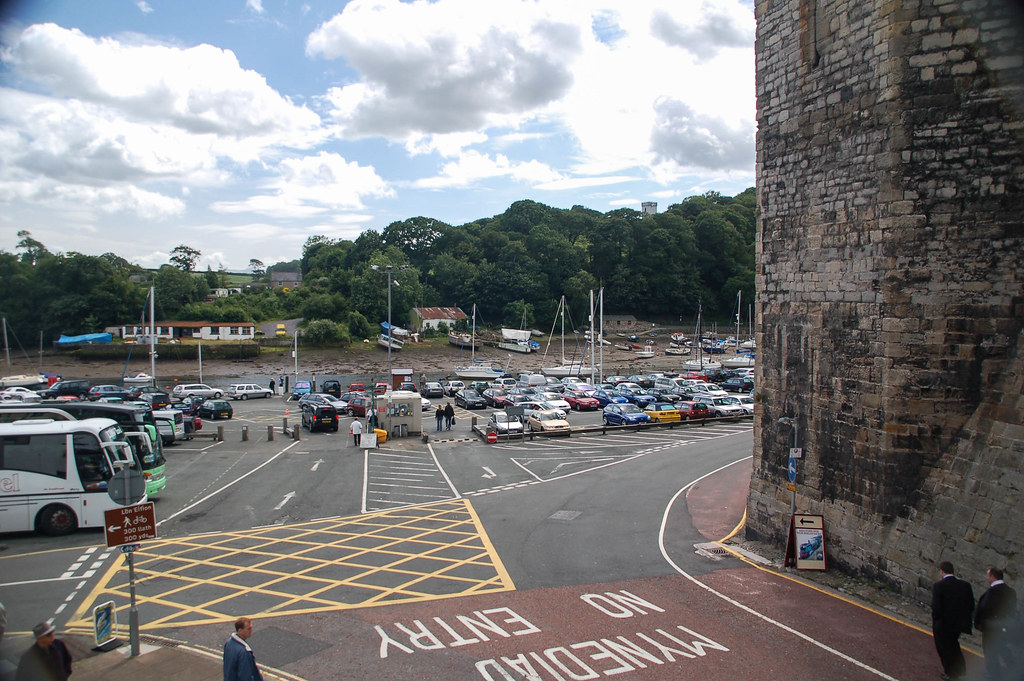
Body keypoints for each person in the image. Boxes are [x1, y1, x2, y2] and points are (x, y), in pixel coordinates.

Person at [932, 560, 975, 680]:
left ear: (942, 571)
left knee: (945, 648)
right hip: (959, 623)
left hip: (944, 624)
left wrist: (937, 621)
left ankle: (951, 672)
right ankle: (960, 669)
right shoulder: (965, 586)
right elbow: (971, 605)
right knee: (954, 646)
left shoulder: (939, 586)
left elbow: (936, 607)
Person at [975, 567, 1018, 679]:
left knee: (990, 649)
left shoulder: (993, 592)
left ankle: (994, 672)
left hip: (991, 626)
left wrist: (980, 623)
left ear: (993, 577)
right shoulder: (1010, 591)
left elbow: (985, 608)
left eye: (988, 575)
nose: (987, 578)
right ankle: (1012, 667)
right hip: (1003, 625)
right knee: (1002, 647)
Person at [223, 616, 263, 681]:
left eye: (251, 628)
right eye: (248, 629)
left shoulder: (229, 643)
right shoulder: (244, 652)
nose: (251, 631)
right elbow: (245, 676)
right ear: (240, 631)